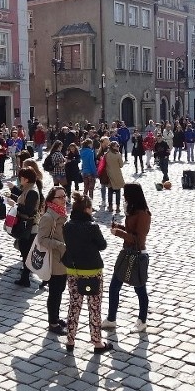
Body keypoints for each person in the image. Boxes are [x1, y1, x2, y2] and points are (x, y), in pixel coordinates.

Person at [62, 192, 112, 354]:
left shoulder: (67, 226)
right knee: (94, 306)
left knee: (74, 304)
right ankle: (97, 342)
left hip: (73, 270)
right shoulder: (92, 227)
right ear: (86, 209)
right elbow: (102, 245)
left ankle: (70, 339)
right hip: (92, 271)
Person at [101, 183, 151, 333]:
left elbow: (138, 239)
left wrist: (119, 233)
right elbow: (131, 231)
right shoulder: (134, 210)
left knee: (140, 289)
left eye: (125, 194)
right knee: (114, 286)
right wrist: (120, 227)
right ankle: (111, 319)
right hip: (126, 252)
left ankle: (142, 320)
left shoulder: (143, 214)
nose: (123, 197)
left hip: (137, 255)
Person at [38, 186, 68, 336]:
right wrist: (59, 245)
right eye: (60, 197)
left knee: (60, 290)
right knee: (55, 292)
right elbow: (41, 239)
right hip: (54, 260)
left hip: (63, 260)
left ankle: (56, 317)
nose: (64, 199)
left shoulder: (62, 213)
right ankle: (52, 322)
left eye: (64, 196)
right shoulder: (49, 217)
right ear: (52, 200)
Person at [6, 167, 42, 287]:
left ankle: (26, 278)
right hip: (27, 226)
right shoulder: (28, 189)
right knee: (25, 251)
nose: (19, 179)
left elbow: (29, 211)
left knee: (27, 252)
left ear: (26, 179)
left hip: (29, 227)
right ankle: (25, 277)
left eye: (20, 177)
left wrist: (15, 205)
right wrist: (12, 197)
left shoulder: (32, 191)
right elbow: (24, 203)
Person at [103, 141, 126, 213]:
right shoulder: (118, 155)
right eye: (117, 146)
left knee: (110, 191)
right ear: (113, 147)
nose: (118, 147)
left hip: (109, 175)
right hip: (117, 175)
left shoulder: (106, 155)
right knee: (118, 191)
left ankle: (110, 207)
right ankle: (118, 208)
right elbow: (121, 165)